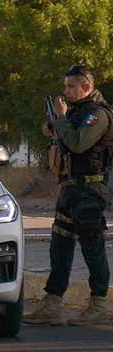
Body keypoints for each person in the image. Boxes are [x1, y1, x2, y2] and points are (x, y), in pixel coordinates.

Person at [25, 65, 112, 326]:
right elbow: (63, 137)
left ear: (87, 86)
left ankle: (98, 306)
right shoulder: (76, 113)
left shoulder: (99, 114)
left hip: (89, 189)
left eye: (71, 86)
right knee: (59, 248)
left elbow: (78, 142)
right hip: (69, 189)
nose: (66, 92)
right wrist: (53, 125)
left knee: (92, 247)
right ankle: (52, 304)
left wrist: (61, 119)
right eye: (65, 86)